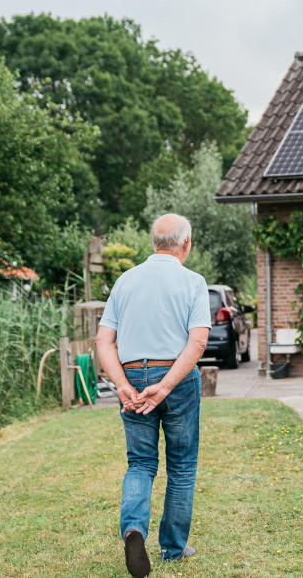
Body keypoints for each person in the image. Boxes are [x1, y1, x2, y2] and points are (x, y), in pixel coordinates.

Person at [96, 214, 211, 578]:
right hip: (176, 379)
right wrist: (165, 386)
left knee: (141, 462)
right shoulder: (193, 282)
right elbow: (198, 341)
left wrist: (122, 384)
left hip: (131, 376)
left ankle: (134, 529)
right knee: (180, 465)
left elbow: (103, 341)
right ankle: (173, 549)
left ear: (153, 243)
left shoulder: (125, 281)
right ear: (186, 242)